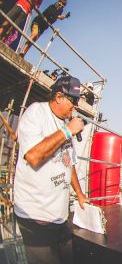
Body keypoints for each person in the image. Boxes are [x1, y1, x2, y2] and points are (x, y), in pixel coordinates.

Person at [14, 75, 89, 264]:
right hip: (36, 217)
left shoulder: (65, 125)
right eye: (73, 101)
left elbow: (68, 163)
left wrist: (79, 194)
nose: (75, 107)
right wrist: (67, 132)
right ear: (58, 97)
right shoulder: (36, 113)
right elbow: (33, 157)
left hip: (59, 217)